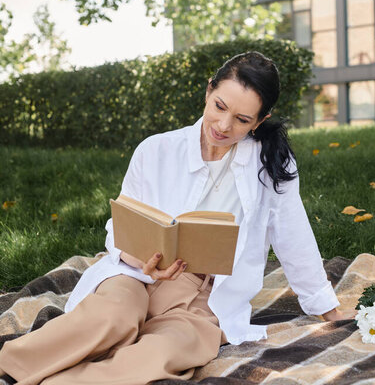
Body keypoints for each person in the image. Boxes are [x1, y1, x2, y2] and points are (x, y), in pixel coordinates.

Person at [0, 51, 354, 384]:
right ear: (209, 90)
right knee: (111, 319)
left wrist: (327, 309)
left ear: (260, 121)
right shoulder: (156, 149)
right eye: (219, 106)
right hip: (134, 275)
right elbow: (119, 225)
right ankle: (11, 364)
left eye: (242, 120)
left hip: (201, 297)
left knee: (170, 348)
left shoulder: (271, 165)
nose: (223, 124)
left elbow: (294, 237)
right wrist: (138, 259)